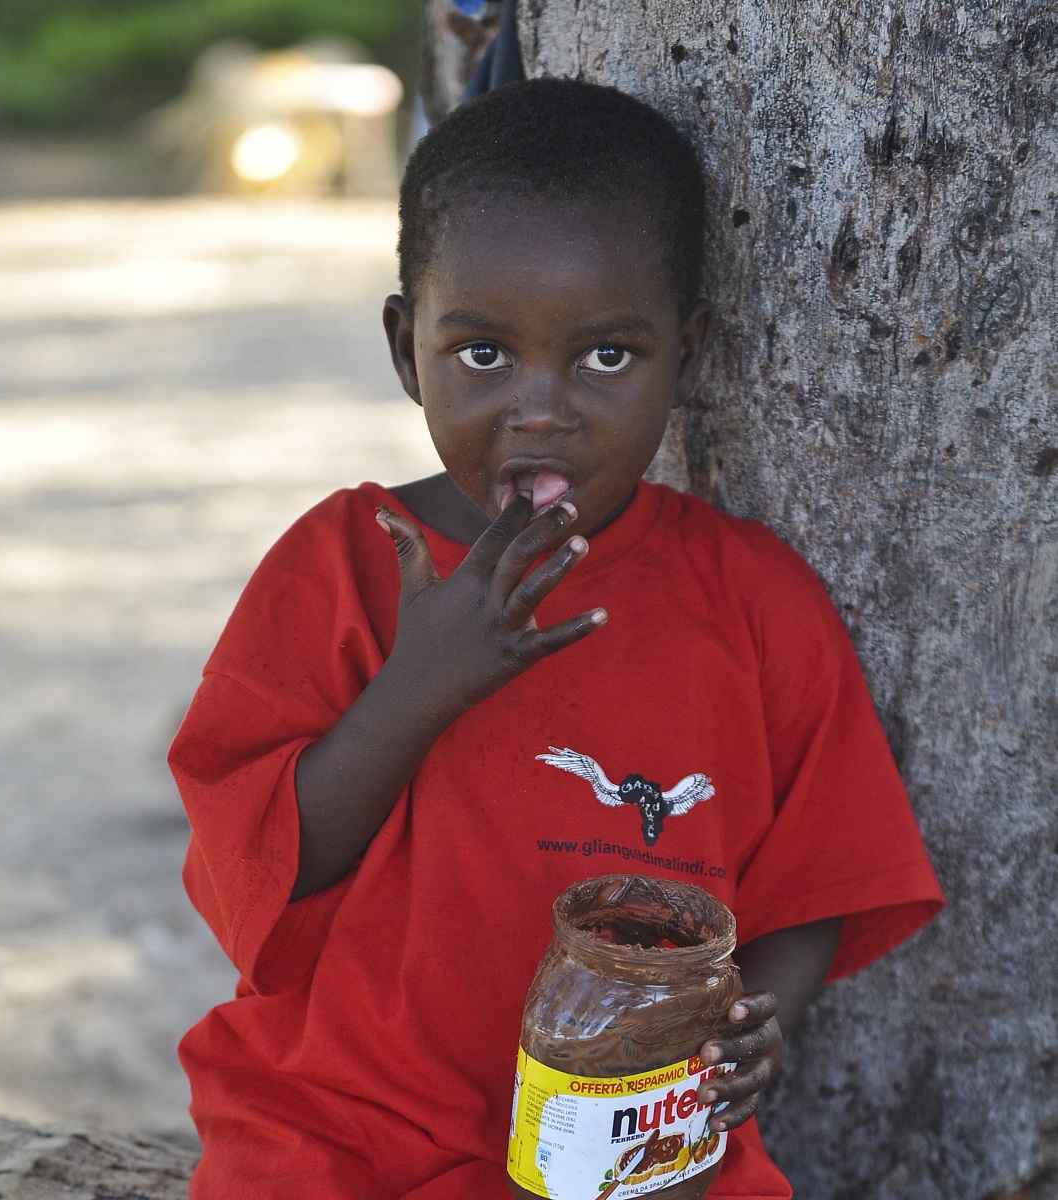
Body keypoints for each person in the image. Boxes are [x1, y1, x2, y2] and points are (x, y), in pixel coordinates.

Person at [169, 78, 944, 1199]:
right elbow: (258, 883)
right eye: (484, 354)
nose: (542, 408)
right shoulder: (343, 565)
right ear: (407, 348)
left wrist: (748, 1021)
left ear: (688, 354)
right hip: (344, 1132)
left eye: (606, 357)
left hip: (635, 1150)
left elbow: (817, 879)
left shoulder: (754, 600)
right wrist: (417, 686)